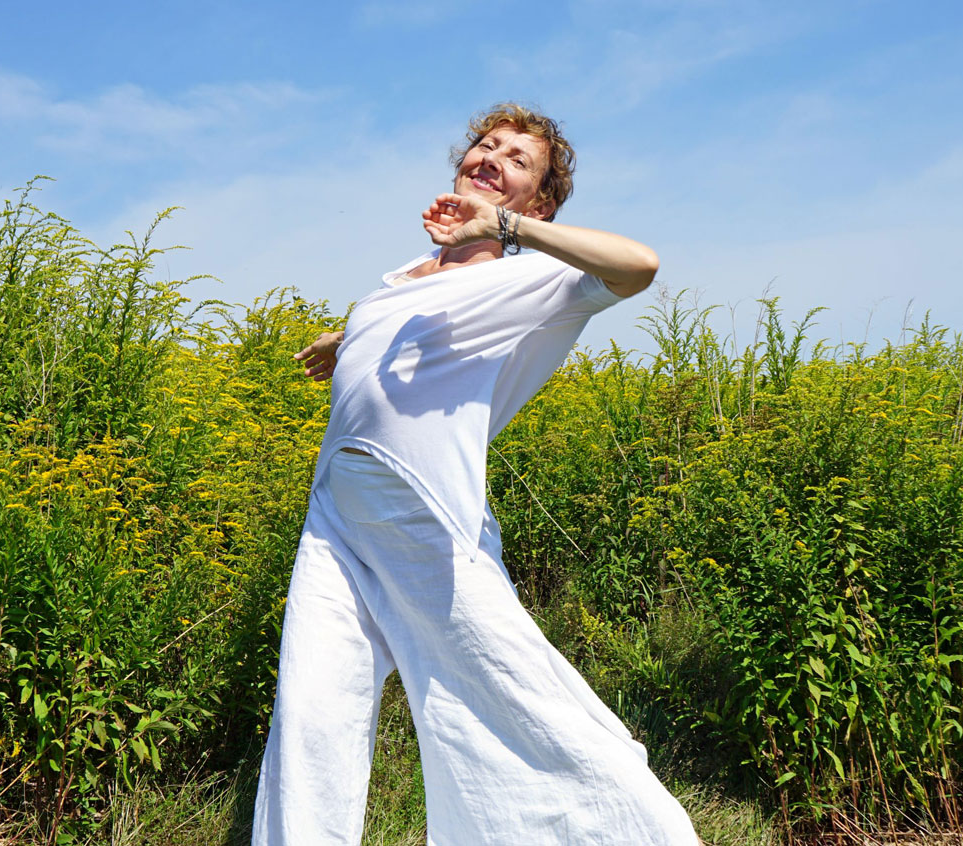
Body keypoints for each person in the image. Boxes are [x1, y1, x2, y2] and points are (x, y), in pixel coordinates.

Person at [253, 103, 699, 845]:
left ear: (539, 201)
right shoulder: (397, 282)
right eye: (484, 146)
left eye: (516, 160)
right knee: (311, 717)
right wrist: (352, 331)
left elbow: (640, 267)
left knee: (516, 701)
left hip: (431, 522)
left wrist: (503, 230)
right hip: (335, 524)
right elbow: (408, 318)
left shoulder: (537, 284)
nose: (489, 157)